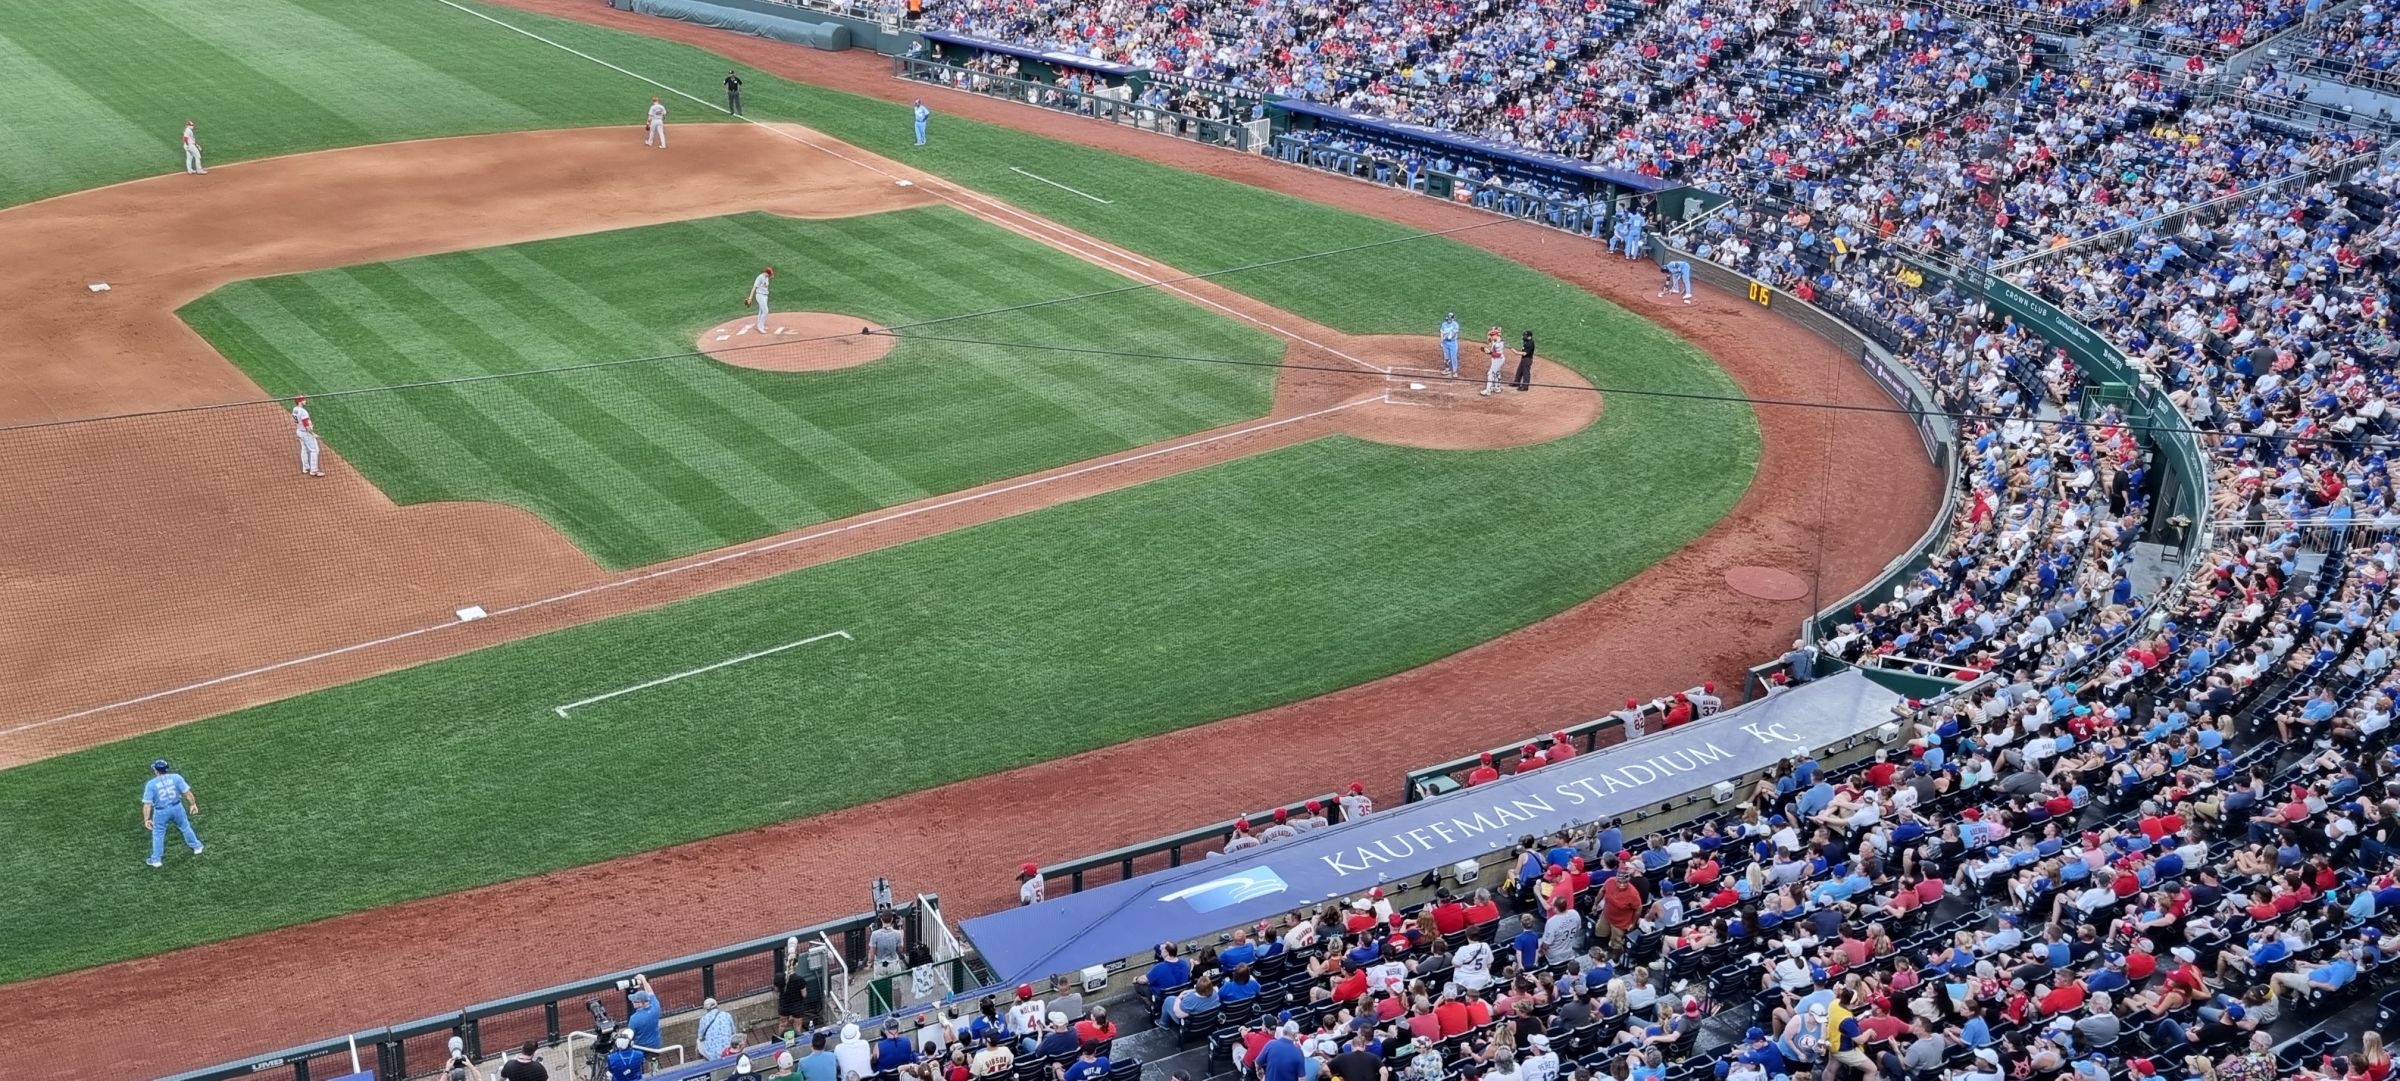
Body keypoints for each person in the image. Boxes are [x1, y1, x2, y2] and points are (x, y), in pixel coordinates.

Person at [141, 759, 202, 868]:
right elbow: (187, 793)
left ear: (156, 771)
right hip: (177, 807)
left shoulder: (151, 784)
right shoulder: (176, 777)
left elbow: (147, 804)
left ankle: (156, 860)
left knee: (158, 834)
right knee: (185, 827)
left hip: (161, 812)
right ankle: (197, 847)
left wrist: (146, 819)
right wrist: (193, 804)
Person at [626, 977, 663, 1053]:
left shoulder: (634, 1019)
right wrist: (643, 980)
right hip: (655, 1045)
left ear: (640, 1003)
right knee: (653, 1060)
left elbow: (630, 1035)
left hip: (640, 1049)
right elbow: (650, 993)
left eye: (634, 1001)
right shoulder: (656, 1007)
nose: (632, 1002)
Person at [293, 395, 323, 477]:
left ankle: (305, 468)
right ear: (300, 401)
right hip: (306, 433)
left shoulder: (295, 409)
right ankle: (314, 471)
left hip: (299, 431)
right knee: (315, 450)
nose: (305, 401)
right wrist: (313, 434)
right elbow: (306, 425)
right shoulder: (303, 412)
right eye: (303, 400)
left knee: (304, 449)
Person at [745, 266, 773, 333]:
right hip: (760, 296)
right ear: (767, 273)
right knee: (766, 311)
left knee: (761, 311)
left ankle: (761, 325)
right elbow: (754, 288)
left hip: (765, 296)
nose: (770, 276)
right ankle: (760, 327)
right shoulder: (760, 277)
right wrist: (750, 298)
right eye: (770, 274)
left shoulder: (766, 278)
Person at [1480, 327, 1506, 396]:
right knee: (1497, 373)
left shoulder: (1500, 343)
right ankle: (1497, 388)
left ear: (1496, 335)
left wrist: (1489, 353)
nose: (1491, 337)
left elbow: (1498, 354)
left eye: (1493, 335)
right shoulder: (1495, 340)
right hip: (1495, 359)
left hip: (1498, 359)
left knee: (1490, 373)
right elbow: (1490, 343)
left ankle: (1488, 390)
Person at [1440, 312, 1461, 377]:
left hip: (1453, 343)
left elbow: (1454, 332)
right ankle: (1447, 369)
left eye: (1450, 319)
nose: (1448, 320)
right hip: (1445, 343)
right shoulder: (1444, 324)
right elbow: (1442, 333)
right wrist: (1441, 341)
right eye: (1448, 319)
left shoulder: (1455, 324)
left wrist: (1450, 336)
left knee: (1453, 357)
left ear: (1452, 319)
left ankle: (1454, 372)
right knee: (1446, 357)